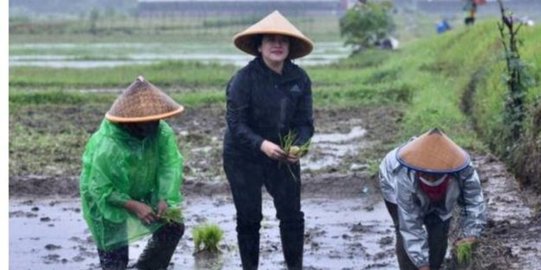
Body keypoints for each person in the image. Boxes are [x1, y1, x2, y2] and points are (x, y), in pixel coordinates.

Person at [223, 10, 315, 270]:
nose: (277, 45)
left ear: (289, 47)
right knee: (249, 218)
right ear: (259, 46)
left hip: (283, 155)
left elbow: (305, 123)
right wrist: (261, 144)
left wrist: (298, 146)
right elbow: (236, 124)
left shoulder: (299, 79)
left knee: (292, 216)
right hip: (243, 155)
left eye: (283, 41)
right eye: (271, 40)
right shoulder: (243, 80)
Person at [80, 76, 186, 270]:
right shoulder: (109, 145)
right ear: (130, 123)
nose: (153, 127)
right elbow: (102, 189)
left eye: (155, 121)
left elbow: (169, 165)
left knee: (172, 227)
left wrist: (164, 197)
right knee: (115, 258)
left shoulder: (160, 132)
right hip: (107, 201)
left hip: (143, 189)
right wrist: (133, 205)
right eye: (146, 123)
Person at [378, 128, 486, 270]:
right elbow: (410, 225)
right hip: (392, 184)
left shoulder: (462, 168)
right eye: (428, 177)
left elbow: (474, 201)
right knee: (402, 231)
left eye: (436, 177)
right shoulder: (403, 175)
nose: (431, 179)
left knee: (439, 231)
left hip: (444, 191)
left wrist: (471, 233)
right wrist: (421, 264)